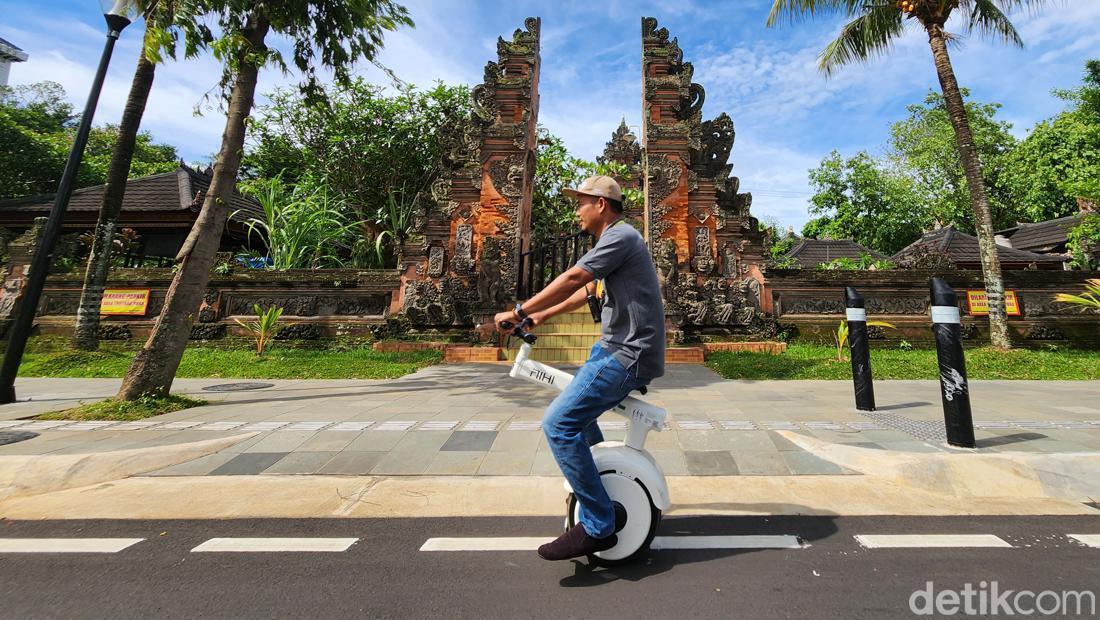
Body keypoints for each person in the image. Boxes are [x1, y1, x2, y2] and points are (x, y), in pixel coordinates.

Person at [494, 175, 666, 561]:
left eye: (581, 203)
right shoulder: (615, 241)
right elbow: (585, 290)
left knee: (558, 424)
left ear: (601, 204)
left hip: (627, 353)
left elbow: (575, 276)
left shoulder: (621, 237)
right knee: (575, 410)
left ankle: (599, 524)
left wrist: (520, 309)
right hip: (613, 349)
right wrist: (540, 316)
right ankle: (600, 483)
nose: (577, 211)